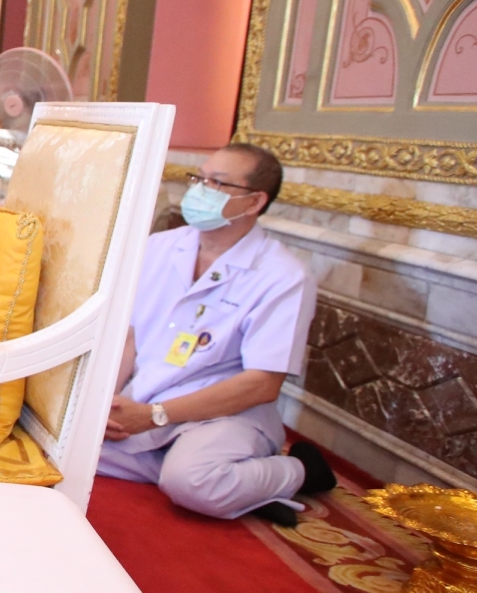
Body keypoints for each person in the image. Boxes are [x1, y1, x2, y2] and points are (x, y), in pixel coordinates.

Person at [97, 144, 334, 527]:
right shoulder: (159, 248)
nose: (200, 191)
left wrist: (157, 416)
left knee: (192, 483)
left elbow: (261, 384)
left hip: (224, 411)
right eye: (199, 178)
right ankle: (242, 485)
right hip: (148, 394)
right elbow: (130, 338)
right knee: (66, 445)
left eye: (217, 183)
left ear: (255, 201)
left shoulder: (284, 277)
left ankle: (300, 471)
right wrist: (104, 399)